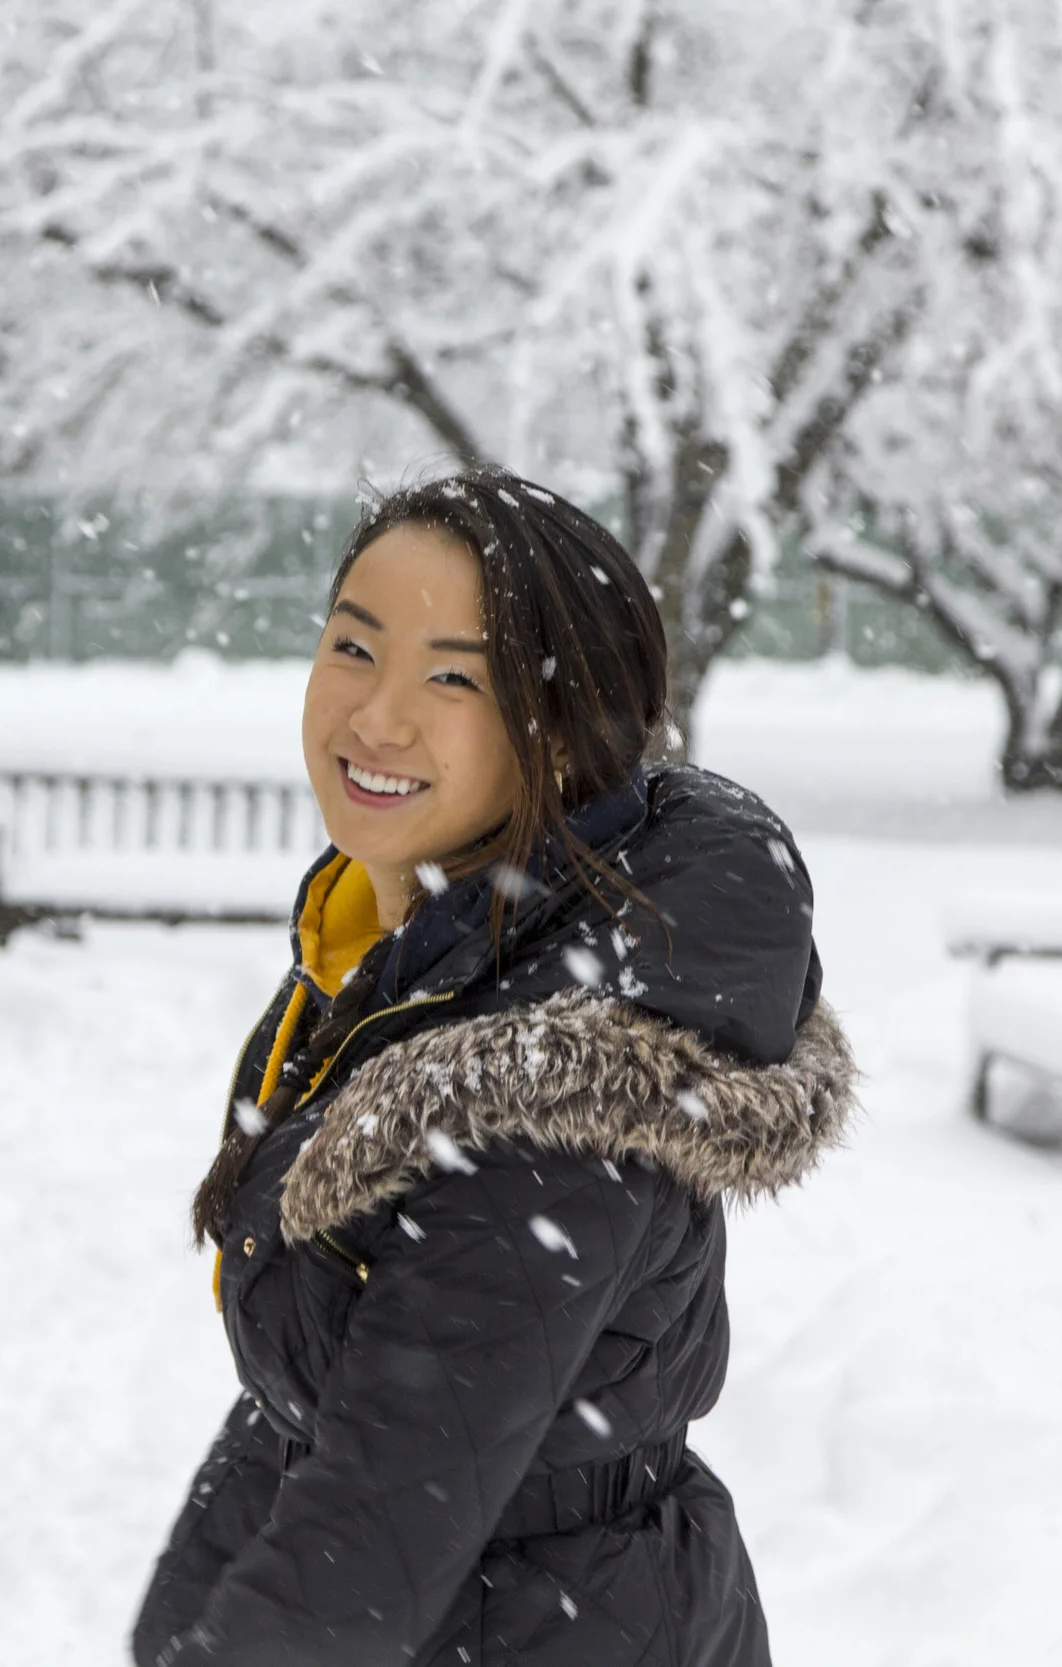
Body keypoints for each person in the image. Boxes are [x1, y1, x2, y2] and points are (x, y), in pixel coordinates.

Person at [132, 470, 856, 1667]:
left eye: (454, 675)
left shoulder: (552, 1084)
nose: (377, 716)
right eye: (354, 647)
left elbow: (390, 1490)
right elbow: (329, 1396)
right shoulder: (411, 943)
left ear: (564, 728)